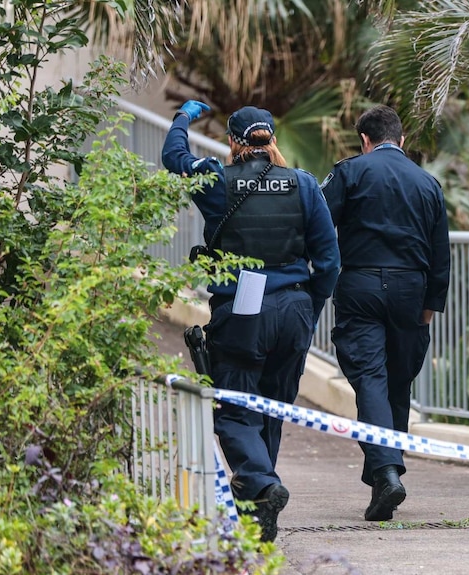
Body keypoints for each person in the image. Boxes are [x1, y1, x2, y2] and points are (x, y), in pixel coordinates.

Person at [161, 100, 340, 542]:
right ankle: (261, 505)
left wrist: (184, 117)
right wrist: (309, 306)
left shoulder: (217, 181)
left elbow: (173, 157)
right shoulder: (302, 184)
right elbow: (330, 260)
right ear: (271, 139)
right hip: (295, 307)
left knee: (235, 407)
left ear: (232, 142)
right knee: (273, 408)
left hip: (243, 307)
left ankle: (261, 485)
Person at [321, 105, 451, 521]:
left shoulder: (350, 173)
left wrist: (318, 281)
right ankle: (384, 477)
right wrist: (432, 305)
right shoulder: (428, 183)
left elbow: (320, 226)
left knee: (371, 379)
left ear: (364, 140)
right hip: (412, 291)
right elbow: (440, 252)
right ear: (402, 138)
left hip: (360, 285)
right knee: (396, 381)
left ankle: (386, 471)